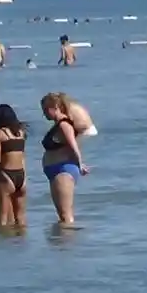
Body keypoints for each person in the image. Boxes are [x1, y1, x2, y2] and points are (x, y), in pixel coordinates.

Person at [41, 92, 90, 224]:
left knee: (66, 215)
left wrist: (80, 164)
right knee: (61, 215)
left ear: (55, 107)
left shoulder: (64, 125)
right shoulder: (57, 125)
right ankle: (61, 242)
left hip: (63, 170)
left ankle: (68, 242)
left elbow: (73, 146)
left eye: (46, 110)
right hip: (55, 170)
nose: (44, 114)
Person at [0, 104, 27, 226]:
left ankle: (4, 244)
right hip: (22, 175)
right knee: (20, 217)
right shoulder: (21, 133)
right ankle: (21, 243)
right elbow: (22, 156)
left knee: (3, 219)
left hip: (7, 174)